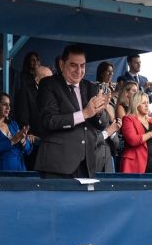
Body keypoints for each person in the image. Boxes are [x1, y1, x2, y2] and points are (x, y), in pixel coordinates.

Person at [34, 45, 109, 178]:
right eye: (74, 65)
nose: (79, 70)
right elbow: (49, 121)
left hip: (87, 164)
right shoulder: (48, 84)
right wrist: (85, 114)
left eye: (83, 66)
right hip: (58, 164)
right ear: (62, 64)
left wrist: (99, 112)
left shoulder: (91, 87)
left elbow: (102, 124)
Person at [0, 91, 31, 172]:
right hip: (0, 173)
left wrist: (23, 141)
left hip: (20, 171)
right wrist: (12, 141)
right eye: (4, 104)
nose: (8, 108)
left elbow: (28, 150)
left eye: (9, 105)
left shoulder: (13, 124)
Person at [119, 91, 152, 174]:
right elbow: (133, 140)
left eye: (147, 102)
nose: (147, 105)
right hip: (134, 166)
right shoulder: (128, 119)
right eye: (144, 103)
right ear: (136, 105)